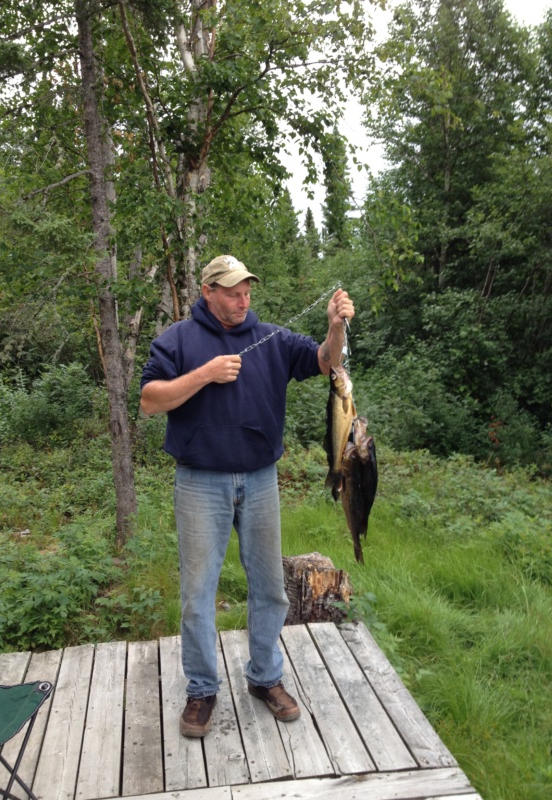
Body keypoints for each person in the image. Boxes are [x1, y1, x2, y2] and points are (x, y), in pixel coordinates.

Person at [140, 254, 355, 738]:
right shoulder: (178, 340)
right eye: (234, 293)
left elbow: (327, 362)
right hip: (200, 482)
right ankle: (201, 689)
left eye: (247, 292)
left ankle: (265, 678)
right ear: (208, 292)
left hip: (260, 480)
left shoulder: (273, 338)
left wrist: (335, 326)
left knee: (270, 587)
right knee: (198, 593)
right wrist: (205, 374)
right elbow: (150, 400)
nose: (243, 300)